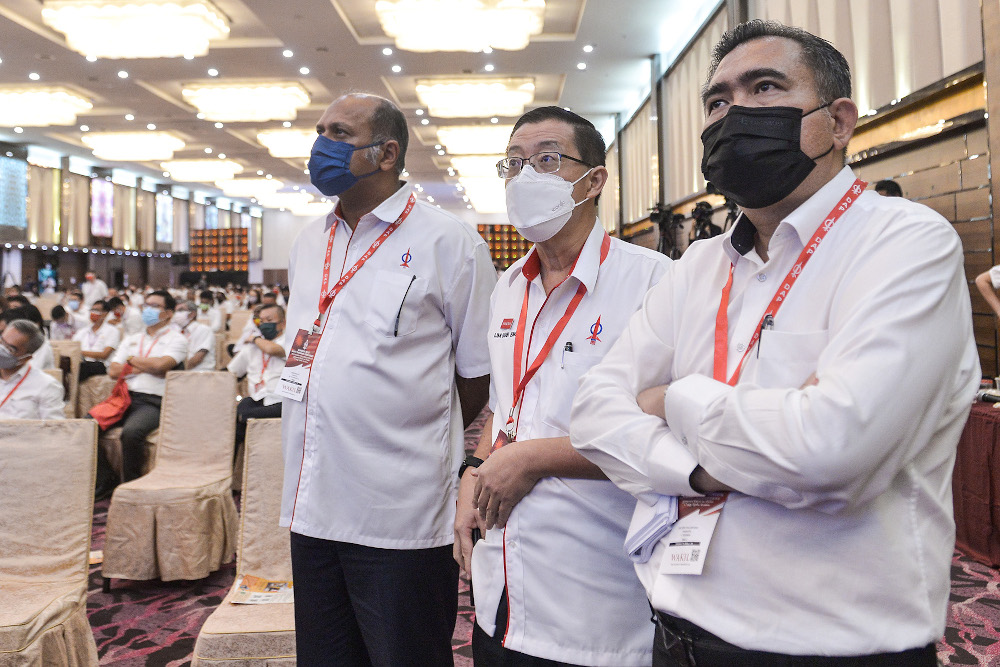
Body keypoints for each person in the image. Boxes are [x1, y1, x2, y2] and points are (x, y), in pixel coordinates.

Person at [570, 20, 979, 666]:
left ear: (838, 121)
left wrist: (671, 399)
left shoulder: (905, 245)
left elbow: (831, 450)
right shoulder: (698, 267)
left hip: (831, 649)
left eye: (764, 88)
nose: (734, 115)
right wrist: (696, 468)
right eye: (719, 101)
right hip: (676, 635)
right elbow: (593, 411)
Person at [280, 92, 495, 666]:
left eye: (338, 132)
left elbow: (477, 378)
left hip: (397, 509)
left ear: (385, 152)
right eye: (319, 130)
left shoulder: (449, 243)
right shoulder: (310, 241)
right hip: (312, 500)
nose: (319, 144)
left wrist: (410, 421)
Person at [455, 107, 667, 667]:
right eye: (514, 163)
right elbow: (505, 406)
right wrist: (472, 473)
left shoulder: (653, 282)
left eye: (547, 159)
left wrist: (534, 459)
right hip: (501, 586)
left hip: (599, 595)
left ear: (594, 180)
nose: (526, 177)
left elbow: (668, 434)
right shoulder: (508, 288)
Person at [96, 290, 188, 496]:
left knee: (131, 433)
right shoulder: (132, 338)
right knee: (88, 425)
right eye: (146, 305)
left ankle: (132, 486)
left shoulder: (177, 339)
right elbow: (112, 371)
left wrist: (131, 360)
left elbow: (162, 365)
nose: (148, 310)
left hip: (154, 401)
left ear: (168, 313)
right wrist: (147, 365)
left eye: (155, 306)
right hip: (124, 397)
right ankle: (106, 478)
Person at [227, 302, 286, 450]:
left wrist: (254, 338)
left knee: (244, 414)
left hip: (282, 401)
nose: (264, 324)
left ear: (282, 323)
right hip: (257, 398)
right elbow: (231, 373)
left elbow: (272, 349)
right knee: (235, 415)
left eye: (269, 320)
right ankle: (227, 467)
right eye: (261, 321)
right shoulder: (251, 349)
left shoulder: (291, 341)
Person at [0, 319, 65, 420]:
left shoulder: (46, 386)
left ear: (26, 358)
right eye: (1, 341)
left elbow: (54, 431)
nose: (2, 349)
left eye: (10, 349)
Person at [73, 299, 121, 382]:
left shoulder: (112, 331)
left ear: (105, 313)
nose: (93, 313)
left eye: (97, 310)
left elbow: (104, 354)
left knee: (80, 368)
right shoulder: (83, 331)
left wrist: (80, 352)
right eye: (92, 310)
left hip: (101, 365)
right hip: (83, 362)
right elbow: (72, 346)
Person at [172, 300, 216, 371]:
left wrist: (175, 371)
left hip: (199, 374)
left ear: (192, 314)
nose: (177, 314)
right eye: (176, 311)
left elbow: (197, 359)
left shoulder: (204, 330)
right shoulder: (176, 331)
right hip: (179, 373)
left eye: (181, 310)